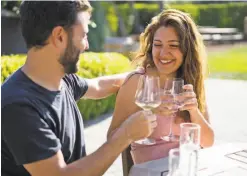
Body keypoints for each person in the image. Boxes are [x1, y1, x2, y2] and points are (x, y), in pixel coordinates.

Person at [1, 1, 158, 176]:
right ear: (59, 36)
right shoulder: (18, 106)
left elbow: (98, 86)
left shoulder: (61, 79)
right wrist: (125, 135)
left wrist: (144, 75)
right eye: (83, 35)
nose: (87, 45)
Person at [107, 9, 215, 164]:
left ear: (187, 50)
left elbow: (208, 142)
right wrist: (147, 113)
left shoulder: (190, 81)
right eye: (158, 44)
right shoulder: (137, 82)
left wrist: (194, 111)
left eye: (173, 45)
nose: (164, 53)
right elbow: (111, 139)